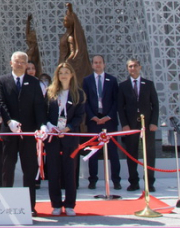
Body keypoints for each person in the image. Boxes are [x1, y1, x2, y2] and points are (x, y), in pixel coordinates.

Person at [0, 51, 46, 215]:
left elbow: (39, 105)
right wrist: (9, 122)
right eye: (17, 61)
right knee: (7, 168)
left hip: (28, 132)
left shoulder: (34, 82)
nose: (20, 64)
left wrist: (42, 125)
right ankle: (5, 205)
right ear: (11, 63)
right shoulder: (2, 81)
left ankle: (29, 206)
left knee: (29, 169)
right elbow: (0, 102)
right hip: (9, 132)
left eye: (23, 62)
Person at [44, 63, 85, 216]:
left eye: (66, 72)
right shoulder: (50, 93)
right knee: (53, 171)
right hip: (53, 137)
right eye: (61, 72)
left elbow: (80, 116)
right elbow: (45, 113)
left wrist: (68, 128)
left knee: (70, 170)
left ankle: (69, 204)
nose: (64, 75)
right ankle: (55, 204)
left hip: (70, 136)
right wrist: (50, 126)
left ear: (71, 75)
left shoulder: (78, 94)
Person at [116, 58, 159, 192]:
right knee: (131, 153)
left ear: (140, 67)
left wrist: (153, 122)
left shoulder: (148, 84)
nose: (133, 69)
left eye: (135, 66)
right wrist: (124, 124)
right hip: (131, 124)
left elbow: (155, 105)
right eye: (130, 66)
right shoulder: (123, 86)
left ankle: (149, 182)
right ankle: (133, 181)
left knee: (149, 153)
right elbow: (120, 107)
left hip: (147, 124)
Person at [82, 54, 122, 190]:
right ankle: (92, 179)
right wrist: (92, 116)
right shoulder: (87, 81)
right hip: (94, 120)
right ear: (92, 65)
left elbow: (116, 101)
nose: (98, 65)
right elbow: (85, 101)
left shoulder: (112, 80)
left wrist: (109, 116)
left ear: (104, 64)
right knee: (93, 150)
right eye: (95, 63)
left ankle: (116, 180)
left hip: (108, 120)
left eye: (100, 62)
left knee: (112, 151)